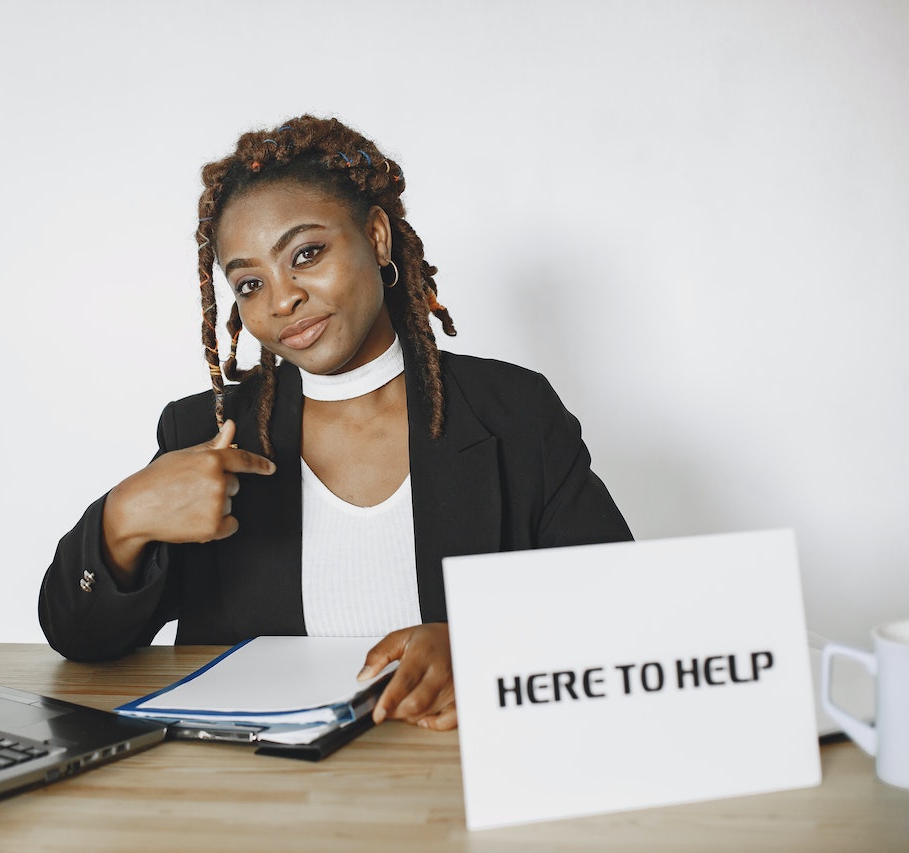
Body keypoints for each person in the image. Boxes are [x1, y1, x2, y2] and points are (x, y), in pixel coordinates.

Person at [39, 115, 632, 731]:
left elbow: (621, 604)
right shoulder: (205, 432)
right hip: (260, 794)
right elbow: (79, 641)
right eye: (249, 282)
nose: (281, 299)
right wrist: (122, 520)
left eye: (307, 254)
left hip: (452, 777)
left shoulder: (512, 411)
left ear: (377, 237)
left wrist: (485, 648)